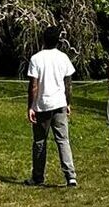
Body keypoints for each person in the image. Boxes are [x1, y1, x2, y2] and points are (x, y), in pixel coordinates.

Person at [25, 26, 77, 188]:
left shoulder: (36, 58)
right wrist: (67, 102)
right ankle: (71, 177)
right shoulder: (63, 58)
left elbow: (33, 85)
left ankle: (38, 177)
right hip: (60, 104)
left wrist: (31, 106)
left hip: (42, 106)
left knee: (40, 141)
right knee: (63, 140)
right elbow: (68, 84)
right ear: (58, 41)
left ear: (43, 40)